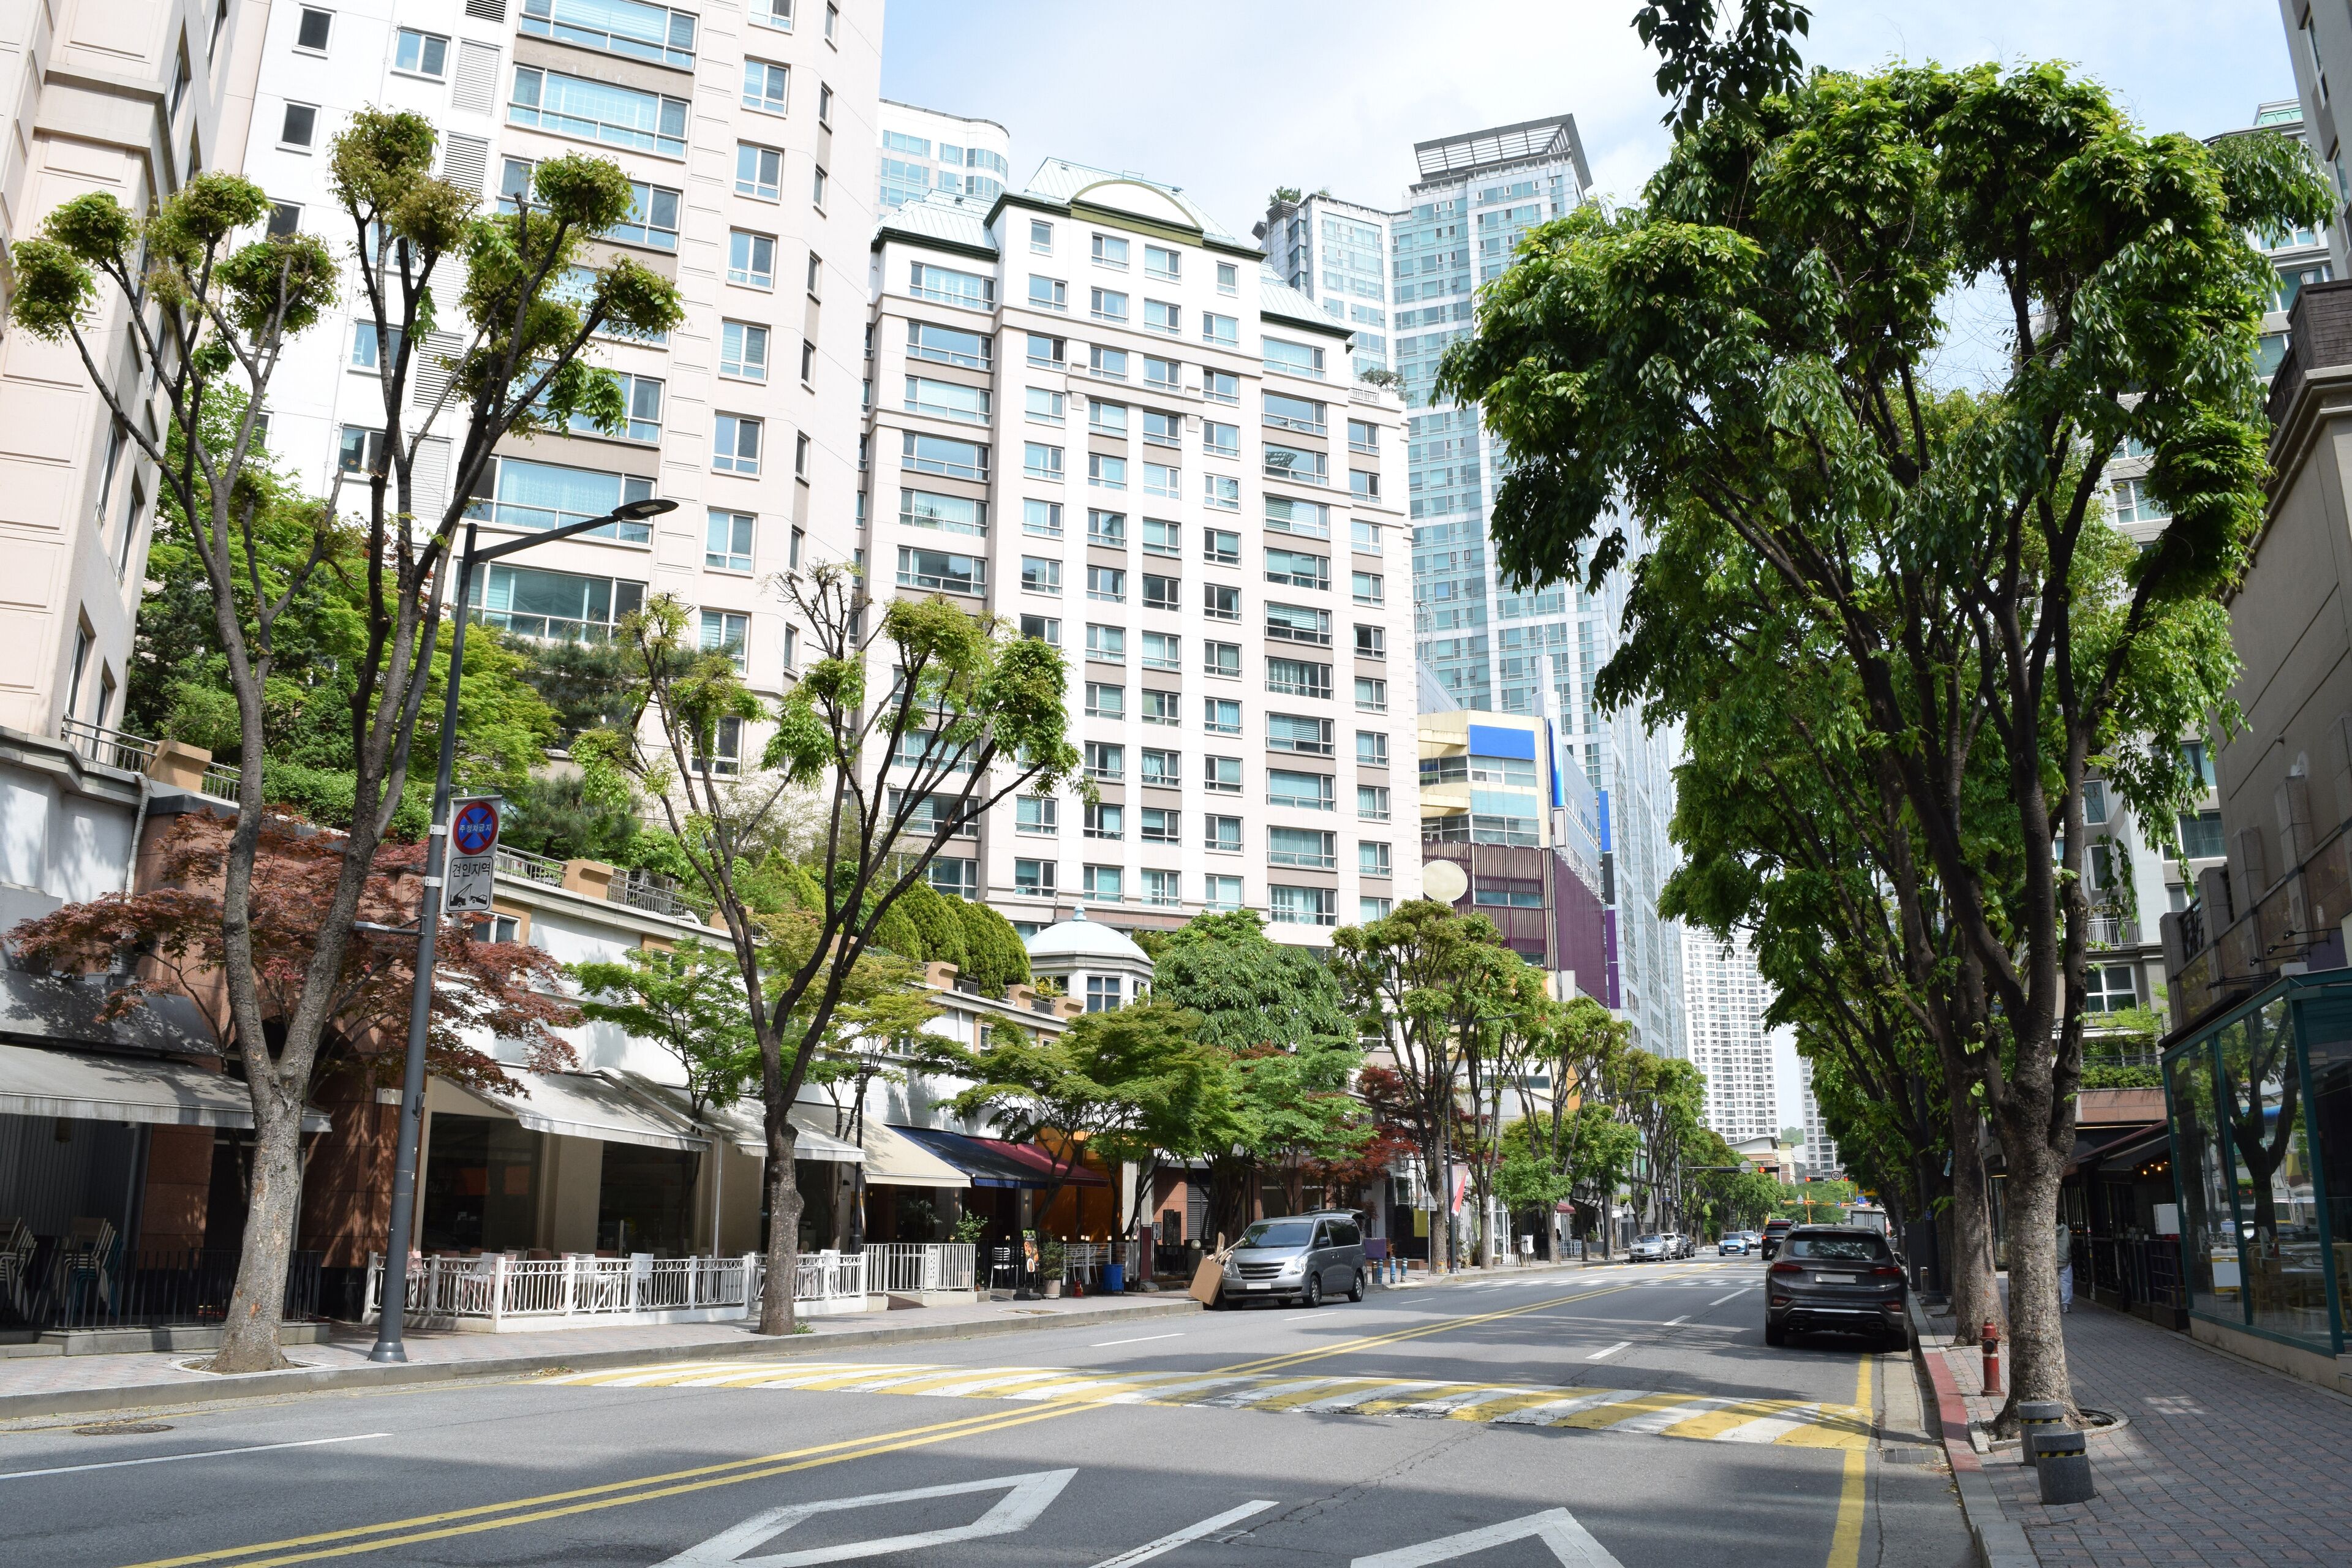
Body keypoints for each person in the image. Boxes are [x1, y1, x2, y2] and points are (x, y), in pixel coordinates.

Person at [2056, 1219, 2074, 1314]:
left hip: (2053, 1259)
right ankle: (2066, 1306)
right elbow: (2071, 1241)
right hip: (2065, 1258)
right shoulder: (2065, 1228)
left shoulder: (2047, 1228)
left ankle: (2055, 1302)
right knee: (2066, 1282)